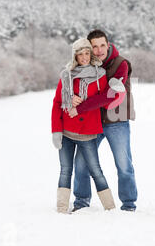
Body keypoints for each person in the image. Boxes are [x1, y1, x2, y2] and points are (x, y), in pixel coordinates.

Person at [68, 29, 138, 211]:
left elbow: (109, 95)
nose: (99, 50)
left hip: (117, 121)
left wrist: (80, 107)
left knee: (124, 164)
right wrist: (73, 98)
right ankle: (81, 201)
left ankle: (129, 204)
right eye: (94, 47)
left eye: (102, 45)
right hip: (93, 121)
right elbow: (71, 88)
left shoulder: (121, 64)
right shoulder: (85, 66)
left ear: (108, 45)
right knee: (81, 163)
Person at [51, 37, 122, 213]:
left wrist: (83, 104)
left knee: (95, 170)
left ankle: (110, 208)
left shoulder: (100, 74)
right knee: (65, 170)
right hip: (67, 131)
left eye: (87, 53)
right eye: (80, 54)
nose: (84, 57)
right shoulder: (66, 75)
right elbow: (57, 102)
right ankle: (61, 208)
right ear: (75, 56)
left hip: (88, 132)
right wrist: (56, 131)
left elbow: (104, 100)